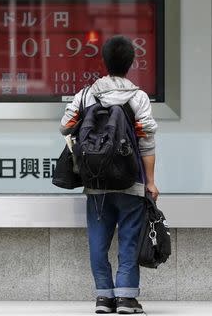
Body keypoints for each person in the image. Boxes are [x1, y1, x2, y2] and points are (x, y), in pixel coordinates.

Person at [60, 35, 159, 314]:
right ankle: (126, 298)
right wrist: (150, 181)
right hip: (132, 179)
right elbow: (147, 141)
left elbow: (65, 127)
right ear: (130, 63)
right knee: (129, 237)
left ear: (104, 61)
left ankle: (104, 297)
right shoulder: (138, 97)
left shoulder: (86, 94)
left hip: (96, 181)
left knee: (98, 238)